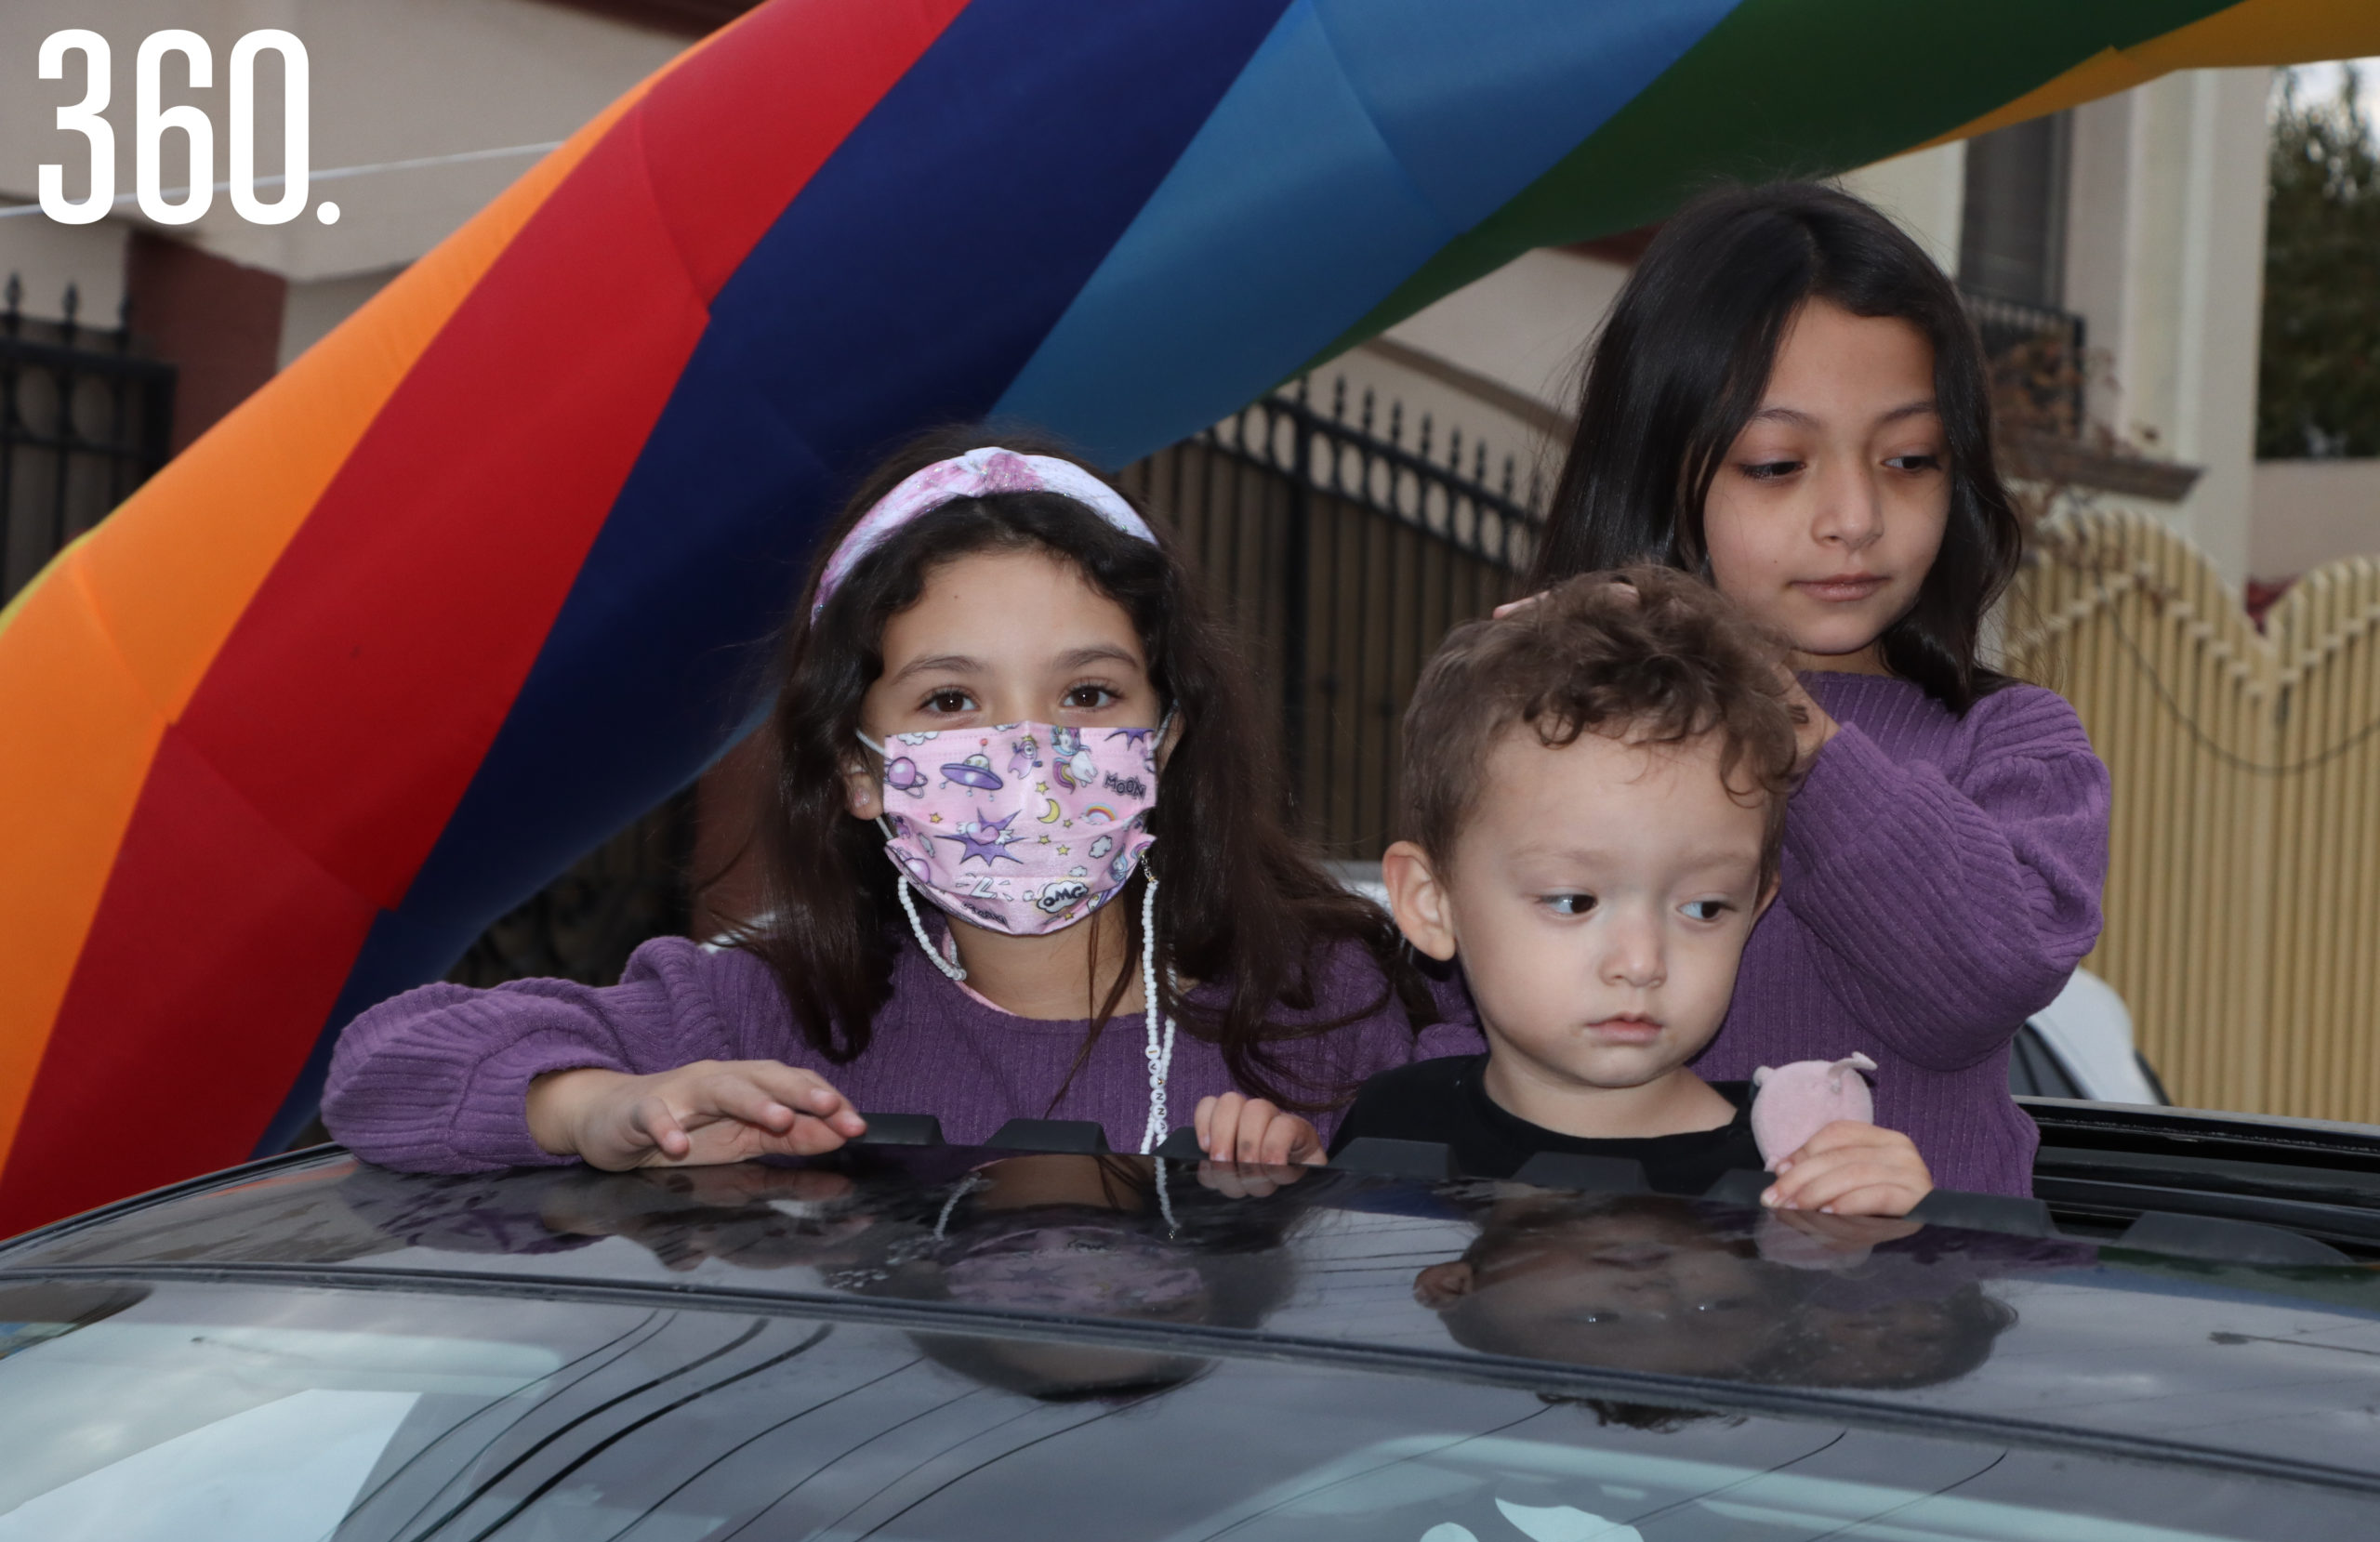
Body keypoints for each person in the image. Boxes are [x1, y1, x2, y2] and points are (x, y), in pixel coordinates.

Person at [324, 431, 1454, 1172]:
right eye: (952, 698)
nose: (1028, 750)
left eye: (1089, 693)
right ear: (857, 770)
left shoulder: (1335, 1008)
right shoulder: (773, 1019)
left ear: (1164, 740)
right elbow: (382, 1067)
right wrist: (604, 1111)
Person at [1523, 181, 2110, 1197]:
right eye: (1777, 463)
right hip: (1622, 1322)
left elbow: (1977, 982)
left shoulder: (2013, 743)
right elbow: (1459, 1034)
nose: (1853, 516)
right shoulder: (1546, 734)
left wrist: (1788, 730)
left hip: (1926, 1328)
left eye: (1908, 459)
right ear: (1661, 472)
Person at [1332, 568, 1934, 1216]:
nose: (1642, 961)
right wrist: (1260, 1204)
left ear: (1755, 907)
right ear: (1430, 902)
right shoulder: (1392, 1124)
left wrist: (1904, 1253)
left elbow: (1882, 1316)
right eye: (1574, 901)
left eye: (1704, 908)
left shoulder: (1792, 1171)